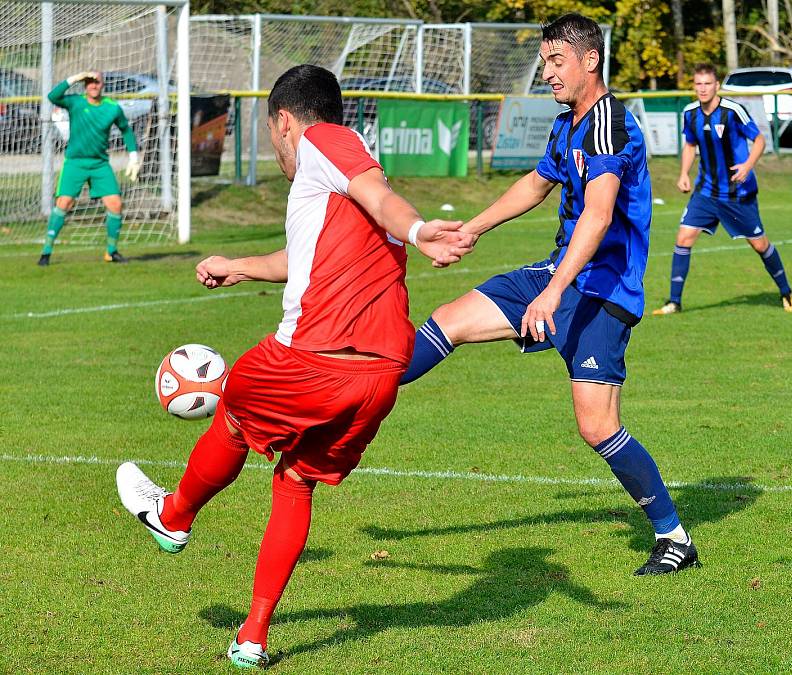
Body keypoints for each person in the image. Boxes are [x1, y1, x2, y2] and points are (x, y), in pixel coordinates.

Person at [115, 64, 473, 669]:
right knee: (294, 481)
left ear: (285, 121)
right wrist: (240, 265)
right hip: (380, 376)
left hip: (315, 356)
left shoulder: (325, 141)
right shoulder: (333, 180)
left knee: (231, 404)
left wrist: (417, 230)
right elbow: (305, 258)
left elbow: (386, 200)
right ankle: (252, 636)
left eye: (268, 132)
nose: (272, 146)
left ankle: (173, 516)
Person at [400, 13, 700, 576]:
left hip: (602, 291)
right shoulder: (569, 123)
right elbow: (537, 183)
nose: (547, 73)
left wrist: (554, 293)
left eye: (556, 61)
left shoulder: (608, 121)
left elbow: (600, 212)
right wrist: (472, 227)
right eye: (544, 62)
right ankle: (356, 388)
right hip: (557, 275)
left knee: (597, 427)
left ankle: (675, 538)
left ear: (590, 60)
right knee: (449, 320)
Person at [653, 63, 792, 314]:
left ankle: (786, 293)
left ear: (716, 85)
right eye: (698, 84)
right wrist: (684, 173)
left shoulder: (733, 111)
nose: (703, 89)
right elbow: (689, 145)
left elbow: (760, 140)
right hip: (706, 191)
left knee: (760, 245)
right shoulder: (690, 113)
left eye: (707, 84)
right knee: (683, 238)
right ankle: (674, 302)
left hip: (737, 194)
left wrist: (747, 166)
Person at [37, 71, 140, 266]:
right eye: (89, 82)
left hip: (100, 164)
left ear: (103, 85)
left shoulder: (112, 107)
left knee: (116, 205)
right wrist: (74, 78)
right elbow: (53, 96)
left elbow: (126, 129)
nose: (93, 86)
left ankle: (111, 251)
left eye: (97, 82)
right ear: (85, 85)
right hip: (75, 163)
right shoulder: (76, 102)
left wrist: (134, 156)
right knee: (64, 204)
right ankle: (46, 252)